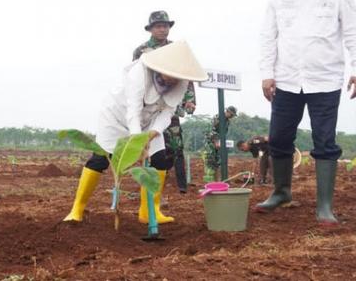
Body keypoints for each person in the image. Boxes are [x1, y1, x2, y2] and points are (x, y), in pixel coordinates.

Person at [257, 0, 356, 226]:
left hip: (326, 80)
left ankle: (324, 206)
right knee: (279, 138)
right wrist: (266, 73)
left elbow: (355, 33)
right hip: (286, 80)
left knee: (325, 141)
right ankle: (281, 192)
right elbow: (268, 37)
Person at [64, 41, 207, 224]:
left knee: (160, 160)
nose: (173, 79)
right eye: (170, 73)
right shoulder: (139, 72)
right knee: (100, 159)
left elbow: (168, 112)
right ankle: (77, 209)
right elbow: (133, 110)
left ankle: (149, 212)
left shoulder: (181, 81)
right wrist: (137, 142)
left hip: (149, 123)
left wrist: (153, 133)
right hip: (117, 118)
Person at [133, 11, 197, 193]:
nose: (162, 29)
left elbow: (187, 76)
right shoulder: (141, 51)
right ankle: (149, 186)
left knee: (176, 145)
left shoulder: (176, 49)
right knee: (148, 145)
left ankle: (182, 186)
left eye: (165, 26)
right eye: (158, 26)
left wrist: (189, 100)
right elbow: (135, 78)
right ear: (151, 29)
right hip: (148, 106)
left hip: (171, 104)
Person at [203, 106, 237, 181]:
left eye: (233, 116)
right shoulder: (217, 118)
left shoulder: (227, 121)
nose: (231, 117)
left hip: (219, 143)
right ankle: (210, 182)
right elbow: (211, 130)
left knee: (217, 162)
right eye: (231, 115)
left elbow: (224, 133)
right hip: (211, 142)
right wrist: (215, 141)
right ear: (227, 112)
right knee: (210, 161)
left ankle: (217, 181)